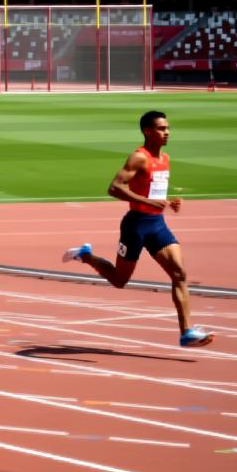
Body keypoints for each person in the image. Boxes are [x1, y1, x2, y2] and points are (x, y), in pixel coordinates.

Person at [63, 110, 215, 348]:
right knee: (119, 280)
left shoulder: (165, 159)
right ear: (147, 131)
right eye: (161, 129)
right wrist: (148, 202)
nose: (167, 133)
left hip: (157, 225)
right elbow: (114, 188)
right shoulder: (139, 157)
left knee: (179, 274)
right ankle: (86, 255)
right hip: (135, 226)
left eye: (168, 128)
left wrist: (168, 202)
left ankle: (186, 332)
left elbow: (153, 191)